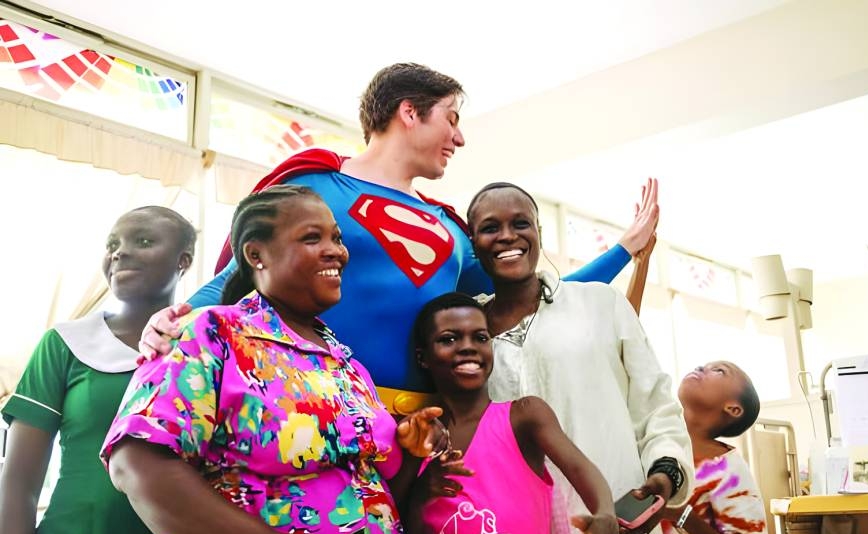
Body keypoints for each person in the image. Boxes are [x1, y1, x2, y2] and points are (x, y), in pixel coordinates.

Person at [140, 63, 658, 398]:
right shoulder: (315, 184)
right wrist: (175, 319)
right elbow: (237, 277)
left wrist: (625, 249)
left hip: (421, 426)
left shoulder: (452, 231)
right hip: (304, 404)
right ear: (409, 112)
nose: (459, 137)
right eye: (450, 118)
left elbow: (531, 296)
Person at [100, 185, 444, 534]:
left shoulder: (346, 363)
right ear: (255, 254)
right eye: (312, 238)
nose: (336, 250)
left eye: (336, 237)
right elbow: (137, 464)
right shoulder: (211, 333)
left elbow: (368, 488)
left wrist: (411, 451)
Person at [464, 181, 693, 534]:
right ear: (472, 241)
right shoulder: (466, 335)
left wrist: (663, 477)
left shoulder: (600, 305)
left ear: (538, 232)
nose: (508, 237)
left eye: (521, 223)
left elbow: (657, 407)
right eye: (490, 227)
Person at [0, 206, 195, 534]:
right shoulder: (67, 344)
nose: (120, 253)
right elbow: (19, 483)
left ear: (183, 261)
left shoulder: (204, 349)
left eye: (143, 241)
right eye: (112, 245)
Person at [407, 292, 618, 534]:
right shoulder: (417, 438)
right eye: (449, 339)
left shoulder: (524, 416)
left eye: (480, 337)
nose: (467, 347)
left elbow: (581, 469)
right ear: (423, 357)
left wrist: (606, 516)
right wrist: (419, 493)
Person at [661, 361, 768, 534]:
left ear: (733, 409)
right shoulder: (656, 446)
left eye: (719, 371)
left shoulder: (729, 471)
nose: (701, 367)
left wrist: (682, 515)